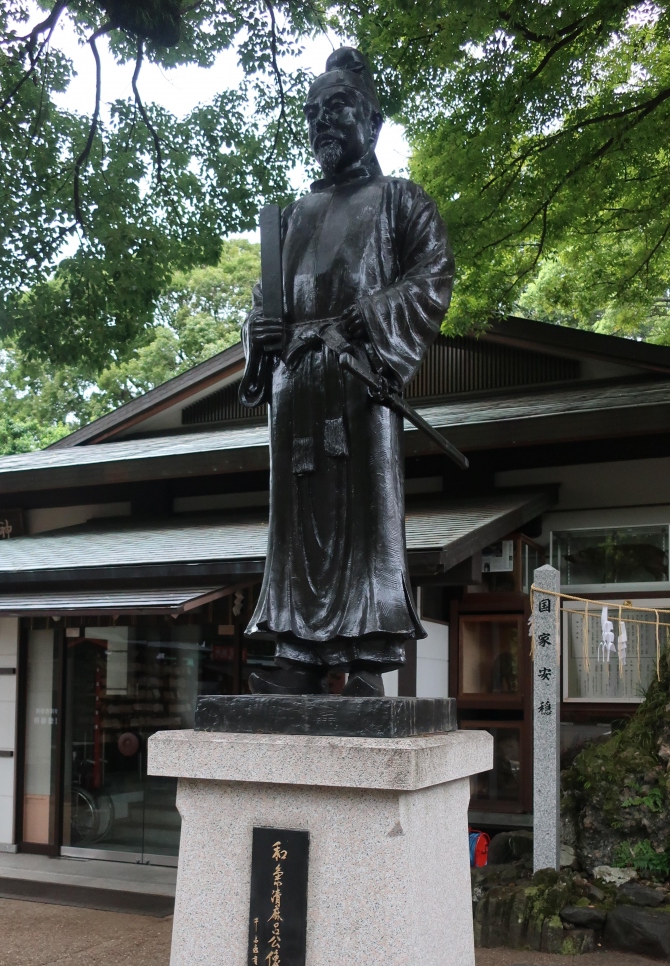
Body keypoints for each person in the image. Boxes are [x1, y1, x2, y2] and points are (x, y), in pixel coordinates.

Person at [240, 47, 454, 696]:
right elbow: (264, 302)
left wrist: (367, 318)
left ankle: (364, 657)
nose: (322, 123)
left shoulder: (399, 201)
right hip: (296, 386)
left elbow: (432, 277)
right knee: (295, 520)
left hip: (358, 379)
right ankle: (297, 653)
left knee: (362, 514)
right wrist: (260, 337)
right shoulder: (291, 217)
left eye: (336, 108)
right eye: (312, 114)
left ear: (372, 121)